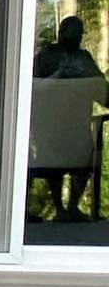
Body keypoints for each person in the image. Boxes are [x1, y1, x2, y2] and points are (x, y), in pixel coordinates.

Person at [31, 16, 107, 221]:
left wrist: (87, 79)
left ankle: (72, 206)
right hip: (50, 124)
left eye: (78, 32)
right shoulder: (45, 57)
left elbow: (101, 89)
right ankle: (59, 208)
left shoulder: (83, 59)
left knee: (84, 163)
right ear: (61, 33)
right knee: (53, 166)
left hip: (78, 124)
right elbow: (31, 88)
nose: (75, 36)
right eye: (71, 31)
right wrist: (59, 75)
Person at [33, 16, 103, 79]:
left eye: (79, 33)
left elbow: (99, 81)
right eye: (74, 31)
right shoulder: (45, 56)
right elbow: (35, 83)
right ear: (61, 33)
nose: (78, 36)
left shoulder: (84, 56)